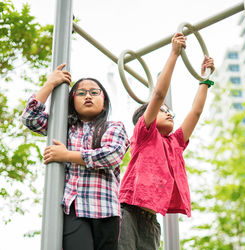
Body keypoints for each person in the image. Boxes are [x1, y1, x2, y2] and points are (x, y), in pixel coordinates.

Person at [118, 33, 215, 250]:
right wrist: (174, 53)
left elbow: (196, 112)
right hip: (128, 212)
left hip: (151, 219)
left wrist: (205, 80)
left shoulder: (175, 143)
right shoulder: (145, 134)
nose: (169, 113)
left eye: (170, 111)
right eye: (163, 111)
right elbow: (159, 94)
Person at [21, 64, 129, 250]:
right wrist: (50, 84)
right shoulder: (63, 127)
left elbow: (112, 155)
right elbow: (30, 118)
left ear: (104, 101)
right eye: (81, 93)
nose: (88, 96)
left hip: (105, 209)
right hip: (74, 207)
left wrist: (67, 155)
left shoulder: (113, 126)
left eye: (94, 92)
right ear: (72, 101)